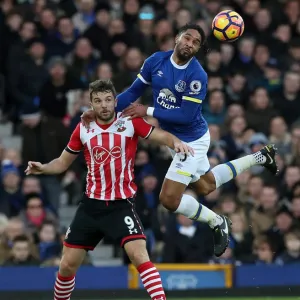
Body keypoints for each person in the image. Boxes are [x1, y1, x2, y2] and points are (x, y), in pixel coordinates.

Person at [81, 23, 279, 257]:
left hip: (192, 141)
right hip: (175, 140)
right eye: (187, 38)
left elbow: (185, 115)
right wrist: (104, 110)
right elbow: (133, 92)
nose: (190, 44)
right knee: (207, 185)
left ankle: (217, 221)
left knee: (168, 199)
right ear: (177, 37)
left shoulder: (197, 75)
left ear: (197, 49)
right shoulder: (156, 61)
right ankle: (261, 156)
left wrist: (148, 111)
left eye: (196, 43)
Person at [24, 79, 194, 300]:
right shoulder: (83, 128)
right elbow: (62, 163)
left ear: (115, 101)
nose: (103, 105)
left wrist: (176, 143)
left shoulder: (130, 122)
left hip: (121, 205)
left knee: (140, 256)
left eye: (107, 100)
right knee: (66, 266)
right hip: (91, 207)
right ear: (91, 105)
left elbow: (161, 136)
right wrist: (43, 168)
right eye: (97, 101)